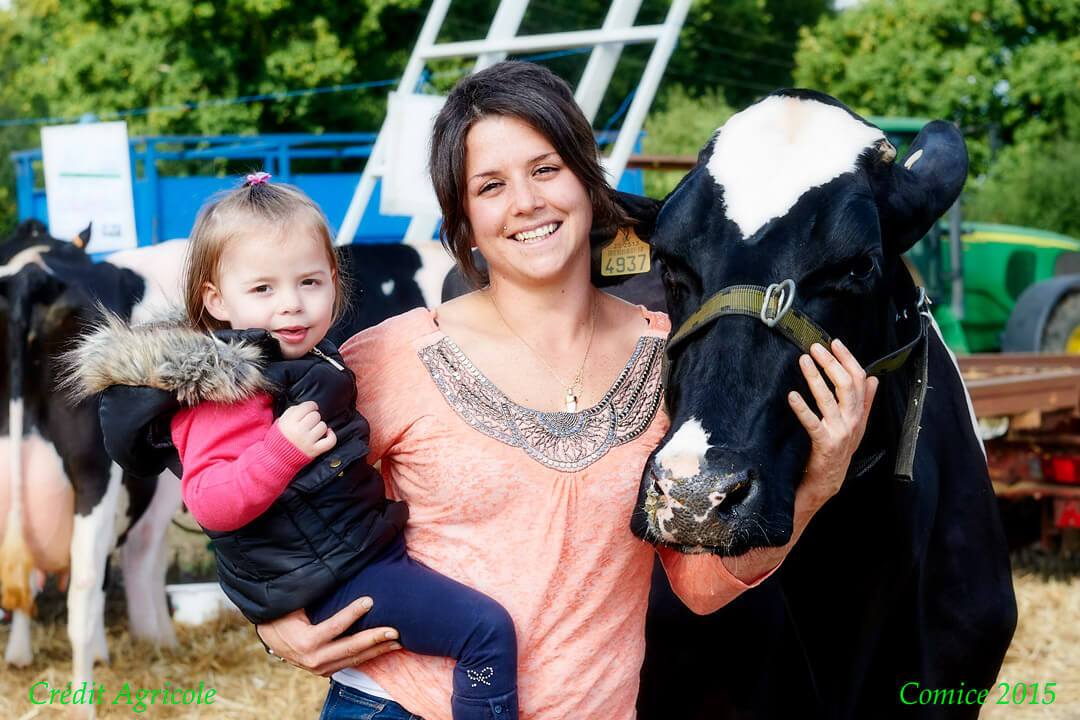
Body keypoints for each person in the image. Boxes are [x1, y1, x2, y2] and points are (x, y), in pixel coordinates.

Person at [255, 61, 879, 720]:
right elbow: (255, 490)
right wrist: (273, 619)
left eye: (546, 169)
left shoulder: (676, 357)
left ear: (588, 181)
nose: (526, 202)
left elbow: (697, 588)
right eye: (490, 185)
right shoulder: (391, 357)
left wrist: (817, 484)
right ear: (463, 220)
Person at [72, 174, 521, 720]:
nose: (291, 305)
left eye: (309, 282)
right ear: (216, 300)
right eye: (263, 289)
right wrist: (281, 448)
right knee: (486, 632)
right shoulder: (226, 389)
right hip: (336, 576)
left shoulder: (309, 359)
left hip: (350, 552)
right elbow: (211, 502)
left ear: (334, 280)